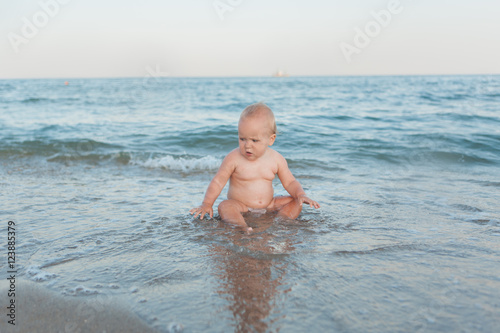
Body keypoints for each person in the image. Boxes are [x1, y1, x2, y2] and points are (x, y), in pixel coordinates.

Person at [190, 102, 320, 233]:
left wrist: (301, 194)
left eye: (254, 140)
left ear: (271, 139)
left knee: (295, 201)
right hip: (241, 205)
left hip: (269, 204)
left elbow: (290, 182)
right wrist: (207, 203)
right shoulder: (233, 158)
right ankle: (241, 226)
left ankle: (282, 220)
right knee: (225, 206)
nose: (247, 145)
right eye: (242, 139)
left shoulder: (276, 159)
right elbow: (218, 182)